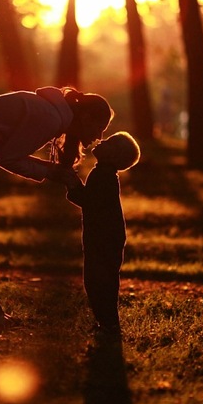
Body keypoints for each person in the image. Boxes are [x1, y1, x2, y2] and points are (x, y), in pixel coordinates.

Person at [0, 86, 114, 334]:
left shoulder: (53, 113)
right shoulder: (49, 117)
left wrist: (51, 171)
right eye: (100, 127)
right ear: (86, 117)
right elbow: (9, 157)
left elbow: (8, 152)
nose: (99, 136)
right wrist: (50, 172)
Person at [66, 131, 140, 336]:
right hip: (105, 235)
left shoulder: (103, 175)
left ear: (114, 156)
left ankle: (108, 324)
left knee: (98, 280)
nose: (102, 140)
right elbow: (92, 201)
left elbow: (90, 202)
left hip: (103, 237)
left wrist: (72, 184)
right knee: (102, 280)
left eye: (109, 142)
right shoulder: (102, 173)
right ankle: (106, 322)